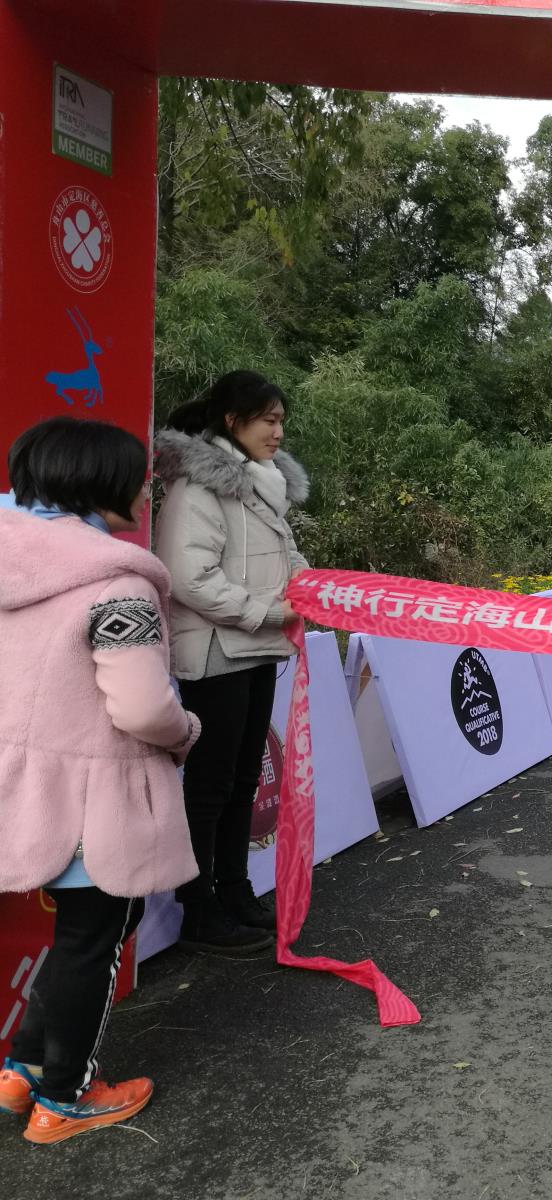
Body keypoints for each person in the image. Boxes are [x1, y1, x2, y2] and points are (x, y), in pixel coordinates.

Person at [0, 418, 201, 1144]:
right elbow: (143, 707)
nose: (146, 490)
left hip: (24, 788)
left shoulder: (12, 558)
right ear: (102, 483)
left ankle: (24, 1068)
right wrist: (186, 731)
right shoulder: (115, 586)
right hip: (96, 803)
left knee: (78, 938)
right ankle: (65, 1097)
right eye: (139, 477)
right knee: (96, 939)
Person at [153, 371, 310, 956]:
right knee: (211, 785)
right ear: (232, 420)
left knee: (245, 778)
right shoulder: (197, 489)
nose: (278, 431)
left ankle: (236, 891)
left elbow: (287, 558)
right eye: (268, 419)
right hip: (219, 651)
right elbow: (189, 578)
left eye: (281, 420)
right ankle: (197, 910)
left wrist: (313, 590)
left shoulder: (262, 484)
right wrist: (268, 611)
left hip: (257, 646)